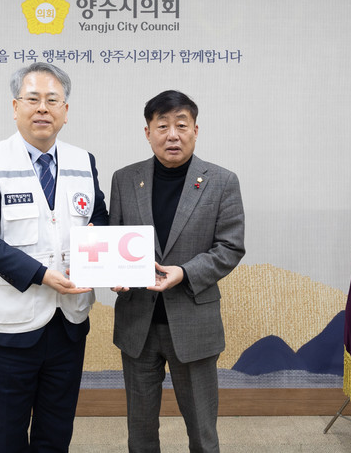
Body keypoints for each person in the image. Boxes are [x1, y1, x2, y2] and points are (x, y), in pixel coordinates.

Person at [0, 62, 108, 452]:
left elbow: (99, 220)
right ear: (15, 107)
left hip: (68, 323)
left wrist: (109, 258)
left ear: (65, 110)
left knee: (56, 431)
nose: (43, 108)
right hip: (9, 326)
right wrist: (41, 274)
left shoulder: (83, 161)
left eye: (52, 100)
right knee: (7, 435)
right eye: (33, 99)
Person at [110, 90, 245, 453]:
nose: (172, 135)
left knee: (202, 432)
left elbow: (230, 247)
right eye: (163, 126)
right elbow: (114, 240)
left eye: (181, 125)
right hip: (137, 324)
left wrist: (184, 272)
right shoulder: (124, 179)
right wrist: (112, 273)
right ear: (148, 132)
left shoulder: (222, 181)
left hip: (193, 323)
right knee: (140, 431)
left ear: (195, 130)